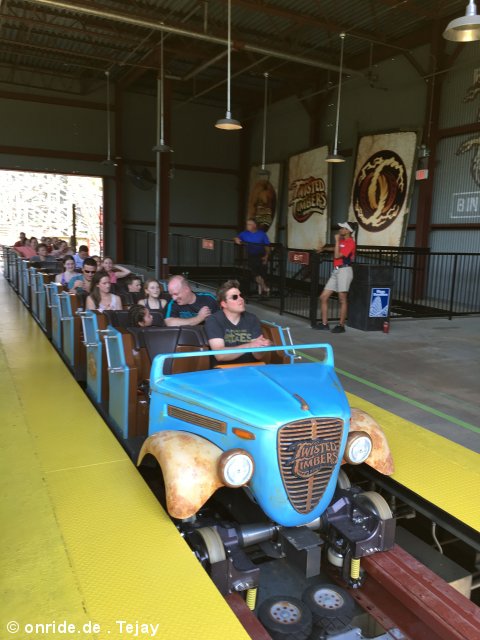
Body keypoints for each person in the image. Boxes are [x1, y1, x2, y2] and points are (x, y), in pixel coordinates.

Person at [205, 280, 271, 364]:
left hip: (250, 367)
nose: (241, 299)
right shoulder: (214, 320)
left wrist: (262, 347)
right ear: (224, 304)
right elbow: (220, 355)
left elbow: (258, 356)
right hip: (224, 369)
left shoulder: (252, 318)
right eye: (235, 297)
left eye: (241, 295)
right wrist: (249, 346)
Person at [314, 221, 356, 334]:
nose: (340, 230)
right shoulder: (342, 241)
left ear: (348, 231)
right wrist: (324, 249)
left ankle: (341, 325)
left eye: (343, 228)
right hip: (336, 271)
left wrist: (336, 241)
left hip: (345, 271)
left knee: (342, 299)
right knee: (323, 297)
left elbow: (337, 255)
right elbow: (335, 249)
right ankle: (324, 324)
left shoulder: (351, 242)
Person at [234, 218, 270, 295]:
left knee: (262, 274)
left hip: (262, 255)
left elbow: (267, 246)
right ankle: (264, 288)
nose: (247, 226)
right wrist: (236, 239)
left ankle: (262, 292)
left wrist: (266, 256)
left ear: (254, 225)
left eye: (249, 224)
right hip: (251, 255)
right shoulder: (244, 233)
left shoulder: (262, 234)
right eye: (247, 224)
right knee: (255, 273)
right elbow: (236, 237)